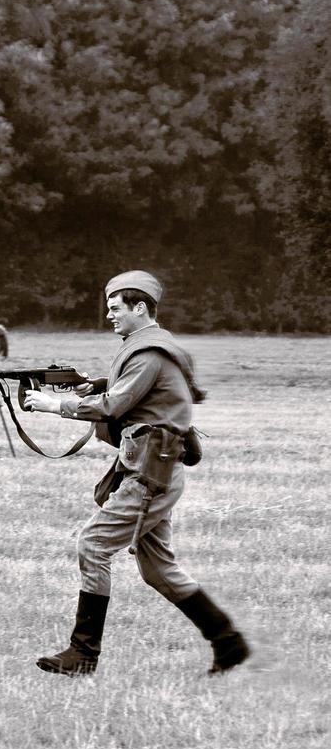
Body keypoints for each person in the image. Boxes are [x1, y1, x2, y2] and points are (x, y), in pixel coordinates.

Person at [22, 270, 250, 677]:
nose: (109, 315)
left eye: (115, 308)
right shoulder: (147, 348)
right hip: (153, 468)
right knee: (158, 569)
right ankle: (229, 644)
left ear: (139, 308)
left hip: (150, 473)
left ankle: (83, 654)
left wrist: (54, 405)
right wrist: (91, 386)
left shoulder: (148, 353)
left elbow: (115, 405)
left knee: (92, 544)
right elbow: (124, 393)